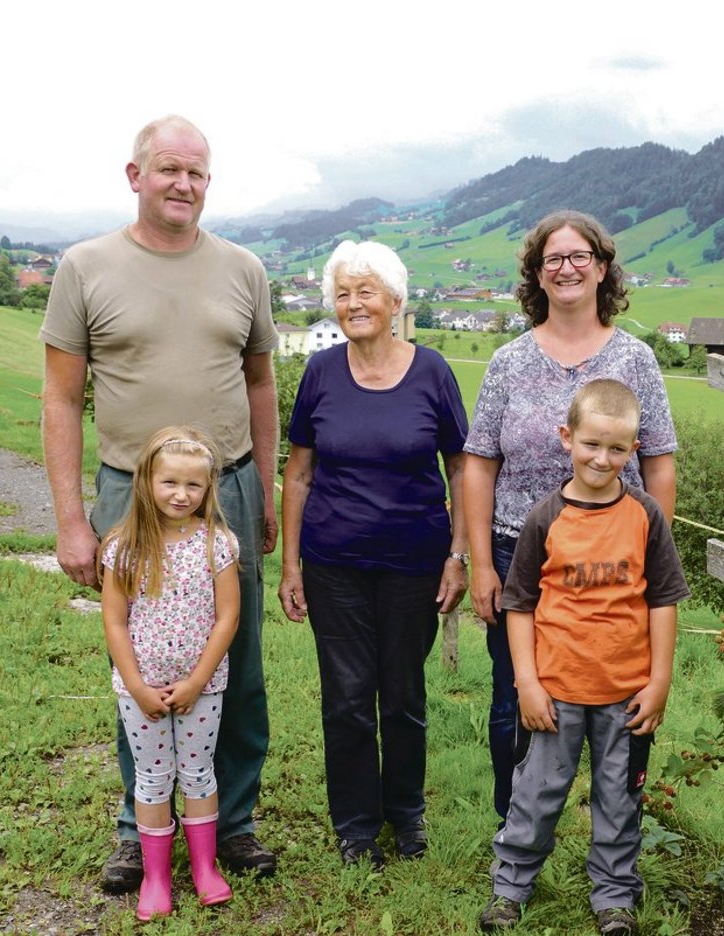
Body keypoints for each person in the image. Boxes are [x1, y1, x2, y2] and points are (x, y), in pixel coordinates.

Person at [39, 114, 280, 892]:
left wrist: (265, 489)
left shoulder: (244, 269)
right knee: (135, 658)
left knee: (235, 661)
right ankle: (137, 826)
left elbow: (261, 385)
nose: (184, 184)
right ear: (135, 175)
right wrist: (74, 518)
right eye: (169, 169)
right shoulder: (86, 266)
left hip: (229, 485)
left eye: (197, 173)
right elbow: (60, 396)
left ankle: (232, 823)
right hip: (129, 494)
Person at [463, 210, 678, 821]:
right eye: (552, 259)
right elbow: (479, 463)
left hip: (615, 557)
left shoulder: (636, 359)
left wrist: (651, 548)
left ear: (602, 267)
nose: (566, 268)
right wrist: (481, 563)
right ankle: (516, 832)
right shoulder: (507, 361)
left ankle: (615, 830)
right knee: (516, 695)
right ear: (536, 273)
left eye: (579, 256)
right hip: (518, 555)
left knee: (620, 695)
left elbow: (658, 461)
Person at [278, 239, 469, 869]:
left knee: (404, 694)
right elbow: (299, 473)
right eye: (343, 293)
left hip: (415, 561)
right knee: (347, 697)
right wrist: (290, 566)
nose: (353, 303)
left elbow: (461, 467)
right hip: (334, 563)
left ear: (394, 300)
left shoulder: (433, 372)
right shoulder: (320, 373)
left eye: (366, 291)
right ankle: (356, 826)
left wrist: (458, 553)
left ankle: (406, 816)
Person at [478, 379, 689, 935]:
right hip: (556, 692)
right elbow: (519, 604)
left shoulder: (646, 517)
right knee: (537, 795)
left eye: (618, 449)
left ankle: (615, 897)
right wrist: (526, 680)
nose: (603, 458)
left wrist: (659, 680)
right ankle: (510, 888)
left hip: (626, 695)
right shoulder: (545, 519)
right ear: (566, 437)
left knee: (620, 800)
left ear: (634, 450)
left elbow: (664, 601)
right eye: (592, 444)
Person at [101, 427, 239, 921]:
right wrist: (136, 686)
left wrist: (199, 680)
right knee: (153, 778)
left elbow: (228, 617)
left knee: (199, 774)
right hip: (141, 690)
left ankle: (205, 869)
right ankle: (156, 877)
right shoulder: (124, 546)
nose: (181, 495)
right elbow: (115, 621)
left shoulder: (217, 544)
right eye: (170, 483)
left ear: (207, 490)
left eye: (193, 486)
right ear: (146, 482)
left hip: (201, 686)